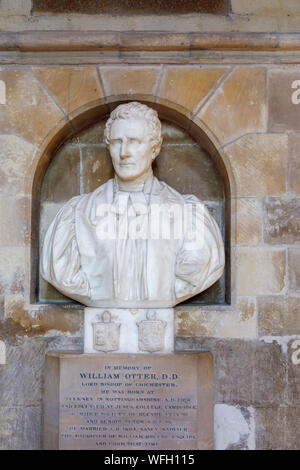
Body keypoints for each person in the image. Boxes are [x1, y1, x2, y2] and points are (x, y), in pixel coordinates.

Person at [40, 102, 224, 308]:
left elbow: (198, 273)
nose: (124, 152)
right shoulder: (78, 213)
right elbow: (62, 273)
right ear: (108, 147)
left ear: (155, 148)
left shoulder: (187, 213)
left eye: (134, 142)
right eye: (117, 142)